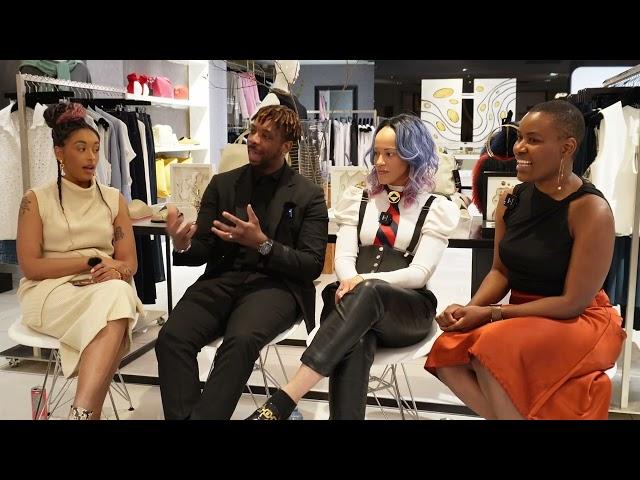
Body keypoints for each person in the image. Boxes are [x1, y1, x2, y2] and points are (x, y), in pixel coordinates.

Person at [247, 113, 461, 420]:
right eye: (377, 153)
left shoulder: (435, 207)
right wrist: (353, 283)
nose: (380, 162)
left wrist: (362, 283)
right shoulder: (358, 199)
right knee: (357, 338)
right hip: (351, 299)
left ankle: (285, 399)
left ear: (412, 155)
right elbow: (344, 258)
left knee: (369, 293)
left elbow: (419, 274)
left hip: (406, 310)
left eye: (390, 154)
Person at [425, 100, 626, 420]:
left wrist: (491, 313)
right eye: (520, 137)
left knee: (490, 349)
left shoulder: (590, 210)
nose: (519, 147)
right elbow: (500, 271)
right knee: (447, 350)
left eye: (533, 140)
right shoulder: (510, 199)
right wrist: (469, 309)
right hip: (522, 314)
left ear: (567, 147)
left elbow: (572, 303)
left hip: (578, 319)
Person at [155, 105, 329, 420]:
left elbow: (311, 264)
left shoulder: (309, 195)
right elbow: (204, 248)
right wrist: (183, 244)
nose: (253, 139)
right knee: (172, 337)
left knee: (240, 342)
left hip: (276, 286)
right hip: (222, 280)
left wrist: (263, 244)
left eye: (266, 135)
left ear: (286, 146)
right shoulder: (223, 184)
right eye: (253, 131)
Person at [16, 102, 142, 420]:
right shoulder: (35, 199)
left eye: (96, 149)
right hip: (49, 292)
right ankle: (86, 414)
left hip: (101, 288)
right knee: (117, 307)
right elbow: (31, 267)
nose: (91, 157)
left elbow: (129, 262)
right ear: (59, 152)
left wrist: (118, 269)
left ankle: (81, 413)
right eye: (81, 148)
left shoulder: (113, 199)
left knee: (118, 293)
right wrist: (90, 260)